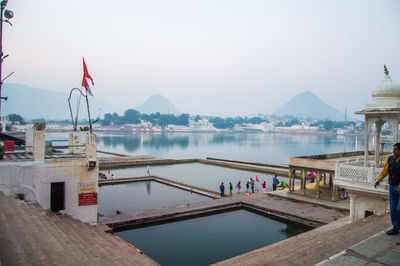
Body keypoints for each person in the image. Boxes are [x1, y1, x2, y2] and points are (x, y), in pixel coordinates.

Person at [374, 143, 400, 235]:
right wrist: (379, 180)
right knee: (393, 208)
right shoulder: (390, 159)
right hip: (392, 186)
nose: (394, 151)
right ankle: (396, 227)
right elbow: (385, 171)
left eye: (396, 149)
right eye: (393, 149)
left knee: (399, 208)